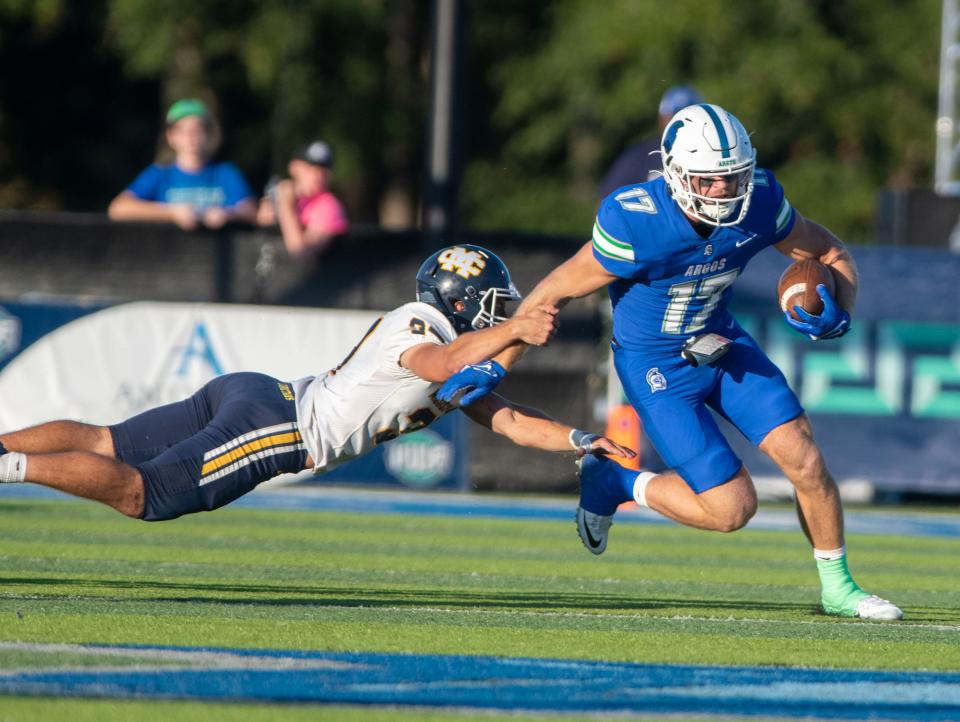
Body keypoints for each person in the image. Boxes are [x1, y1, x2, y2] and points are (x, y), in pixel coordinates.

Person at [437, 105, 902, 621]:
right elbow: (552, 293)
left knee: (806, 460)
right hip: (654, 364)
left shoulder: (761, 199)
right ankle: (618, 481)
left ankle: (837, 588)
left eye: (734, 177)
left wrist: (841, 310)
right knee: (732, 511)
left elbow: (829, 251)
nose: (725, 191)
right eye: (710, 180)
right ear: (677, 174)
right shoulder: (636, 220)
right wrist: (495, 363)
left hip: (720, 340)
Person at [0, 245, 633, 522]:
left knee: (109, 440)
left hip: (260, 394)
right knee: (146, 494)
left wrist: (581, 439)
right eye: (493, 305)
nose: (502, 315)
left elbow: (510, 419)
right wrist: (518, 328)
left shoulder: (455, 344)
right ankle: (9, 467)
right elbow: (440, 365)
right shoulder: (423, 326)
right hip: (278, 426)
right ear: (462, 303)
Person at [108, 98, 257, 230]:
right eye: (183, 131)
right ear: (171, 137)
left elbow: (250, 210)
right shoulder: (159, 173)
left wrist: (227, 214)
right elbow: (118, 208)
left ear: (208, 134)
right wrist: (172, 212)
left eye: (197, 130)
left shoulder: (225, 173)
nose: (190, 137)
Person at [597, 85, 703, 199]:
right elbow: (608, 200)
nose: (681, 124)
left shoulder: (712, 154)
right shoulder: (641, 156)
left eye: (688, 118)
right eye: (674, 117)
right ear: (662, 118)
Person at [257, 140, 349, 260]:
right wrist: (264, 219)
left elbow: (301, 250)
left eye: (324, 170)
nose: (318, 175)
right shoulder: (287, 198)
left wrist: (284, 204)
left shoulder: (329, 205)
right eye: (310, 168)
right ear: (294, 168)